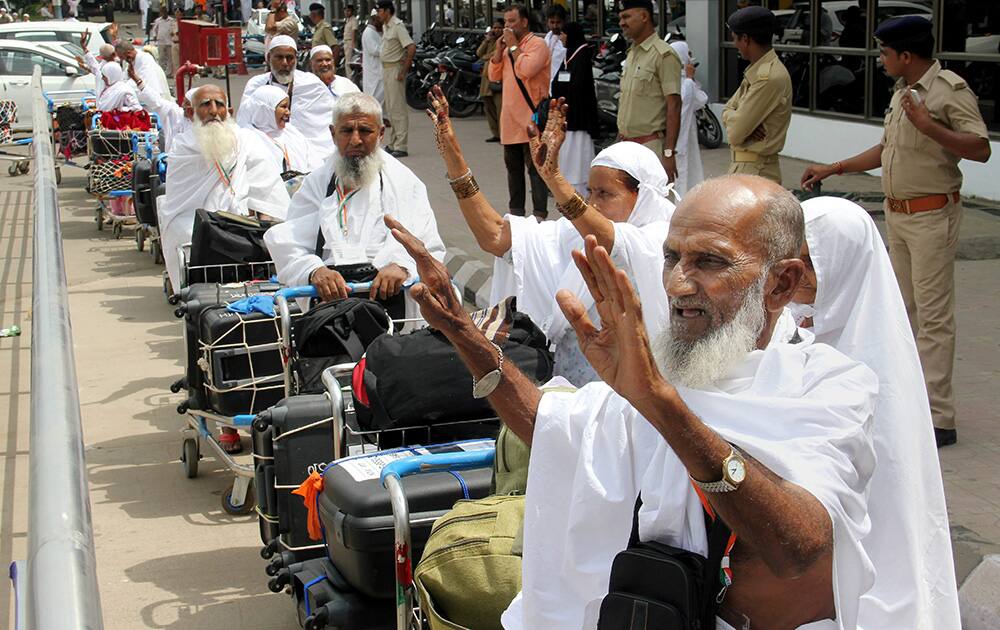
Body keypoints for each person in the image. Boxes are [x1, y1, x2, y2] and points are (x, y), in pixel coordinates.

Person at [382, 174, 879, 630]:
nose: (679, 284)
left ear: (782, 283)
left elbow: (799, 549)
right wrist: (463, 332)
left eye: (709, 261)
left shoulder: (828, 388)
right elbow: (551, 427)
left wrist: (662, 405)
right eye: (671, 258)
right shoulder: (665, 376)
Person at [801, 16, 991, 448]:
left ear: (906, 55)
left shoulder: (947, 91)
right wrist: (836, 167)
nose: (881, 59)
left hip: (931, 216)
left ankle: (939, 416)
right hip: (900, 216)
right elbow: (888, 149)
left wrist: (930, 127)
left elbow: (979, 148)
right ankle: (907, 401)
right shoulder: (904, 93)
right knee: (900, 311)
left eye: (885, 52)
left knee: (933, 317)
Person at [790, 196, 961, 630]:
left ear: (844, 266)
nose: (796, 276)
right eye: (791, 261)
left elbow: (885, 493)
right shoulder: (796, 326)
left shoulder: (876, 358)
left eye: (810, 263)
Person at [427, 88, 673, 385]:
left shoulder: (663, 241)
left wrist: (554, 179)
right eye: (590, 192)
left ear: (642, 196)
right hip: (570, 391)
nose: (593, 204)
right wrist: (455, 160)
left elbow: (615, 243)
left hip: (636, 398)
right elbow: (495, 237)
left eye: (605, 194)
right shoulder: (574, 234)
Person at [264, 92, 445, 313]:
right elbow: (289, 243)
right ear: (333, 133)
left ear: (381, 134)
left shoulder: (405, 182)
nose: (356, 140)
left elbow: (429, 245)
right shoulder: (317, 182)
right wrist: (314, 271)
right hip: (329, 303)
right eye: (347, 131)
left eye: (366, 131)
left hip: (393, 303)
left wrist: (402, 266)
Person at [489, 3, 551, 219]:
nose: (507, 26)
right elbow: (493, 76)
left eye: (512, 21)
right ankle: (516, 215)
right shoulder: (507, 48)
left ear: (524, 22)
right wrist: (499, 50)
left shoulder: (538, 45)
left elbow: (526, 70)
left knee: (536, 170)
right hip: (509, 121)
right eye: (506, 21)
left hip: (531, 120)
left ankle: (539, 217)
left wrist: (514, 47)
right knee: (513, 171)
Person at [722, 5, 792, 185]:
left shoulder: (767, 77)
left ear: (745, 39)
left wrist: (739, 121)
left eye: (735, 39)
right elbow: (728, 109)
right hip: (746, 167)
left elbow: (735, 134)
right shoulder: (757, 70)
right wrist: (738, 119)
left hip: (756, 171)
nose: (735, 45)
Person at [239, 35, 336, 159]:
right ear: (269, 58)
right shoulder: (256, 85)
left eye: (289, 58)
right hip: (267, 153)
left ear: (296, 59)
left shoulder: (312, 84)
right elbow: (245, 123)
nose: (285, 63)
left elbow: (328, 123)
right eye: (279, 57)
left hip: (312, 154)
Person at [616, 0, 682, 181]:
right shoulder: (632, 53)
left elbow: (674, 106)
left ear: (644, 16)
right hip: (625, 146)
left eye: (626, 16)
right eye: (620, 17)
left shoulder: (663, 54)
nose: (621, 23)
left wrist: (668, 153)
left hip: (650, 147)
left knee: (653, 206)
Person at [549, 21, 597, 198]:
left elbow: (578, 87)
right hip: (567, 119)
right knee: (567, 162)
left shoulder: (582, 54)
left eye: (563, 34)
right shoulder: (569, 54)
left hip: (579, 120)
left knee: (579, 163)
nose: (560, 37)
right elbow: (557, 82)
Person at [238, 84, 317, 173]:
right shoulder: (248, 140)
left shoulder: (291, 133)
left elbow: (314, 162)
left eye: (288, 107)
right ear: (266, 110)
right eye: (283, 107)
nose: (288, 113)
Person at [375, 0, 415, 158]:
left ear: (387, 11)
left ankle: (401, 145)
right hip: (386, 69)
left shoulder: (398, 26)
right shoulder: (386, 26)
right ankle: (393, 143)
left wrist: (403, 71)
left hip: (395, 69)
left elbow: (411, 47)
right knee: (391, 108)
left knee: (398, 108)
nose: (378, 14)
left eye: (380, 11)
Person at [668, 40, 707, 195]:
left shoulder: (679, 79)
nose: (691, 57)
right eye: (688, 54)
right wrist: (690, 79)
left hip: (685, 138)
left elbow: (699, 100)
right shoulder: (681, 81)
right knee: (681, 174)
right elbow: (696, 100)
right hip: (678, 140)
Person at [130, 61, 196, 151]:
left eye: (187, 103)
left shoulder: (209, 125)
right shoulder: (177, 113)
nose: (183, 105)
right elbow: (156, 101)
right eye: (184, 102)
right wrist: (138, 81)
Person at [476, 19, 504, 143]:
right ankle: (496, 133)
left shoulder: (504, 41)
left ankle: (503, 134)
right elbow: (479, 53)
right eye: (494, 27)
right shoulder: (490, 40)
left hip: (498, 80)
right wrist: (486, 40)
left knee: (500, 109)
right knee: (489, 108)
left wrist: (485, 57)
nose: (496, 30)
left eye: (499, 27)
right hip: (486, 81)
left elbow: (494, 54)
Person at [309, 2, 341, 70]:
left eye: (311, 14)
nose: (310, 17)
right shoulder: (318, 28)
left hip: (324, 66)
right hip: (317, 66)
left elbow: (336, 47)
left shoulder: (325, 28)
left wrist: (331, 66)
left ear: (314, 15)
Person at [361, 12, 384, 104]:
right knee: (374, 101)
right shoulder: (369, 32)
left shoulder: (375, 32)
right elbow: (374, 50)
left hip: (378, 72)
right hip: (374, 73)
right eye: (380, 20)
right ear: (375, 19)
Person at [543, 4, 566, 84]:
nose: (555, 26)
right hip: (547, 82)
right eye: (552, 22)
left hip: (562, 82)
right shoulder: (547, 38)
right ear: (547, 22)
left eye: (558, 22)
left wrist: (566, 45)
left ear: (564, 21)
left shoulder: (569, 39)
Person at [151, 5, 176, 77]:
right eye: (162, 12)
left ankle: (168, 73)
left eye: (164, 11)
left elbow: (173, 29)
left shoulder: (171, 20)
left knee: (170, 58)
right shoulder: (158, 20)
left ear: (167, 12)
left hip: (169, 41)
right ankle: (161, 72)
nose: (163, 13)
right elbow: (154, 29)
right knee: (161, 58)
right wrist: (154, 36)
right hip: (161, 41)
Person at [342, 4, 359, 80]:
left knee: (348, 64)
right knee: (346, 63)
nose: (346, 12)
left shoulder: (354, 20)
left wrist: (353, 45)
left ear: (352, 11)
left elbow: (354, 33)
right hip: (346, 42)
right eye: (345, 10)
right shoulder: (347, 20)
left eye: (348, 11)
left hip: (350, 43)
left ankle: (350, 80)